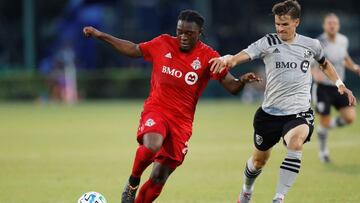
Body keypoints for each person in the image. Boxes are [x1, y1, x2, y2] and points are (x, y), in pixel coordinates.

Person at [83, 10, 261, 203]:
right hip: (157, 109)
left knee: (159, 177)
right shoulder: (163, 43)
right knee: (152, 145)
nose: (183, 37)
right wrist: (101, 35)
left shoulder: (209, 56)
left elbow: (232, 86)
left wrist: (242, 80)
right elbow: (134, 49)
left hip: (181, 124)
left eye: (189, 33)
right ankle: (133, 181)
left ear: (199, 33)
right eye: (180, 31)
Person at [209, 1, 357, 203]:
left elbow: (325, 63)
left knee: (295, 144)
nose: (279, 28)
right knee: (259, 162)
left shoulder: (311, 44)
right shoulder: (268, 42)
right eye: (277, 23)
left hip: (299, 113)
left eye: (285, 24)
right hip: (269, 114)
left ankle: (279, 197)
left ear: (297, 22)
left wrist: (339, 83)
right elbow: (240, 57)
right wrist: (228, 60)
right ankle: (246, 190)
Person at [311, 13, 360, 163]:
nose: (332, 25)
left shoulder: (343, 40)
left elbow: (344, 58)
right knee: (324, 119)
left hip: (340, 87)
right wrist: (314, 74)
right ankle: (323, 153)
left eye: (335, 23)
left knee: (350, 118)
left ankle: (325, 127)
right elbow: (310, 64)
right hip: (322, 88)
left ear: (338, 26)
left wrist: (355, 67)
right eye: (329, 23)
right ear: (324, 25)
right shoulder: (319, 42)